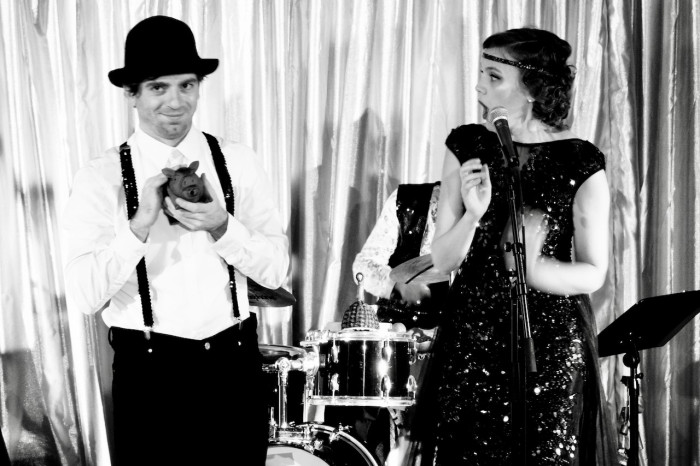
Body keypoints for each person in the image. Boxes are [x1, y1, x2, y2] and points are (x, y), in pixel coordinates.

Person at [61, 16, 289, 466]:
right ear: (132, 94)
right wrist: (137, 228)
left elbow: (277, 269)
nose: (175, 102)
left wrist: (223, 227)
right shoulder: (100, 177)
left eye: (186, 85)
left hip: (234, 369)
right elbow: (84, 295)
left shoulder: (238, 162)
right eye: (157, 87)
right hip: (149, 376)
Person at [429, 28, 618, 465]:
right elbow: (441, 259)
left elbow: (594, 271)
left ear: (532, 87)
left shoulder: (580, 160)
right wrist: (473, 216)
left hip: (549, 343)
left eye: (493, 76)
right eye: (481, 73)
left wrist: (534, 269)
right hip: (474, 338)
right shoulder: (467, 146)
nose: (479, 85)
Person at [325, 182, 446, 465]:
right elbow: (364, 265)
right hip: (399, 334)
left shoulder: (494, 211)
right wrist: (397, 286)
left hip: (454, 337)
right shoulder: (408, 200)